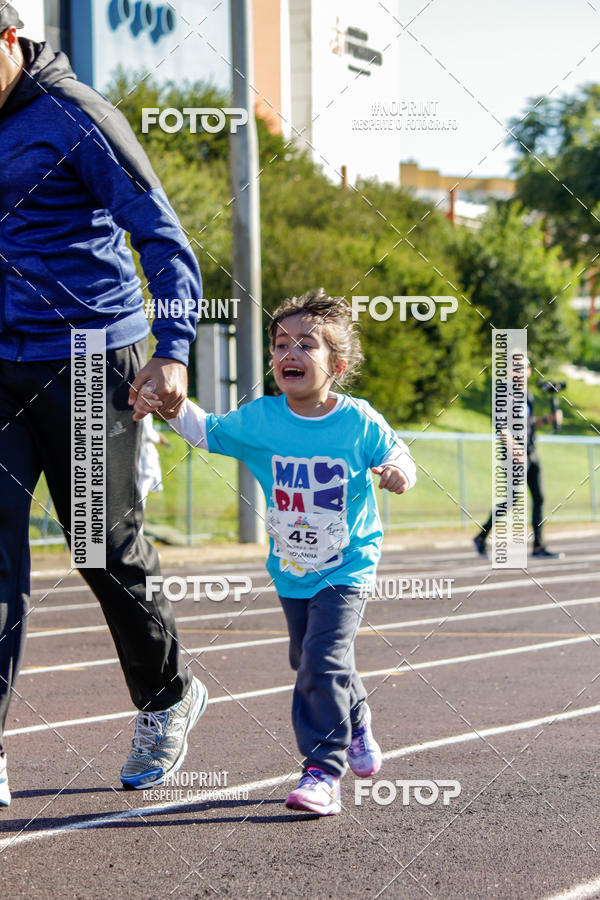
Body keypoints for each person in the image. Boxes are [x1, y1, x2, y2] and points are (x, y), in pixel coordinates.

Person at [0, 5, 206, 807]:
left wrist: (175, 347)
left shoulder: (77, 116)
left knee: (100, 546)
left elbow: (160, 233)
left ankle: (165, 697)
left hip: (89, 354)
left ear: (10, 39)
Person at [133, 289, 417, 816]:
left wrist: (398, 473)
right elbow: (205, 430)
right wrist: (168, 404)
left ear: (337, 363)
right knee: (307, 659)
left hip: (348, 564)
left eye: (306, 345)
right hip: (292, 569)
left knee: (322, 660)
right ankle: (355, 719)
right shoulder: (263, 420)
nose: (289, 353)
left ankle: (321, 772)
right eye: (280, 343)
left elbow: (397, 452)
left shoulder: (358, 421)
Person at [474, 358, 562, 560]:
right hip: (514, 455)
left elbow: (528, 424)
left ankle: (538, 546)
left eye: (523, 368)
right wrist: (514, 448)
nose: (520, 372)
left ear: (529, 371)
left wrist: (547, 420)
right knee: (512, 500)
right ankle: (481, 536)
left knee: (539, 498)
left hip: (531, 452)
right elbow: (501, 425)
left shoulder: (527, 396)